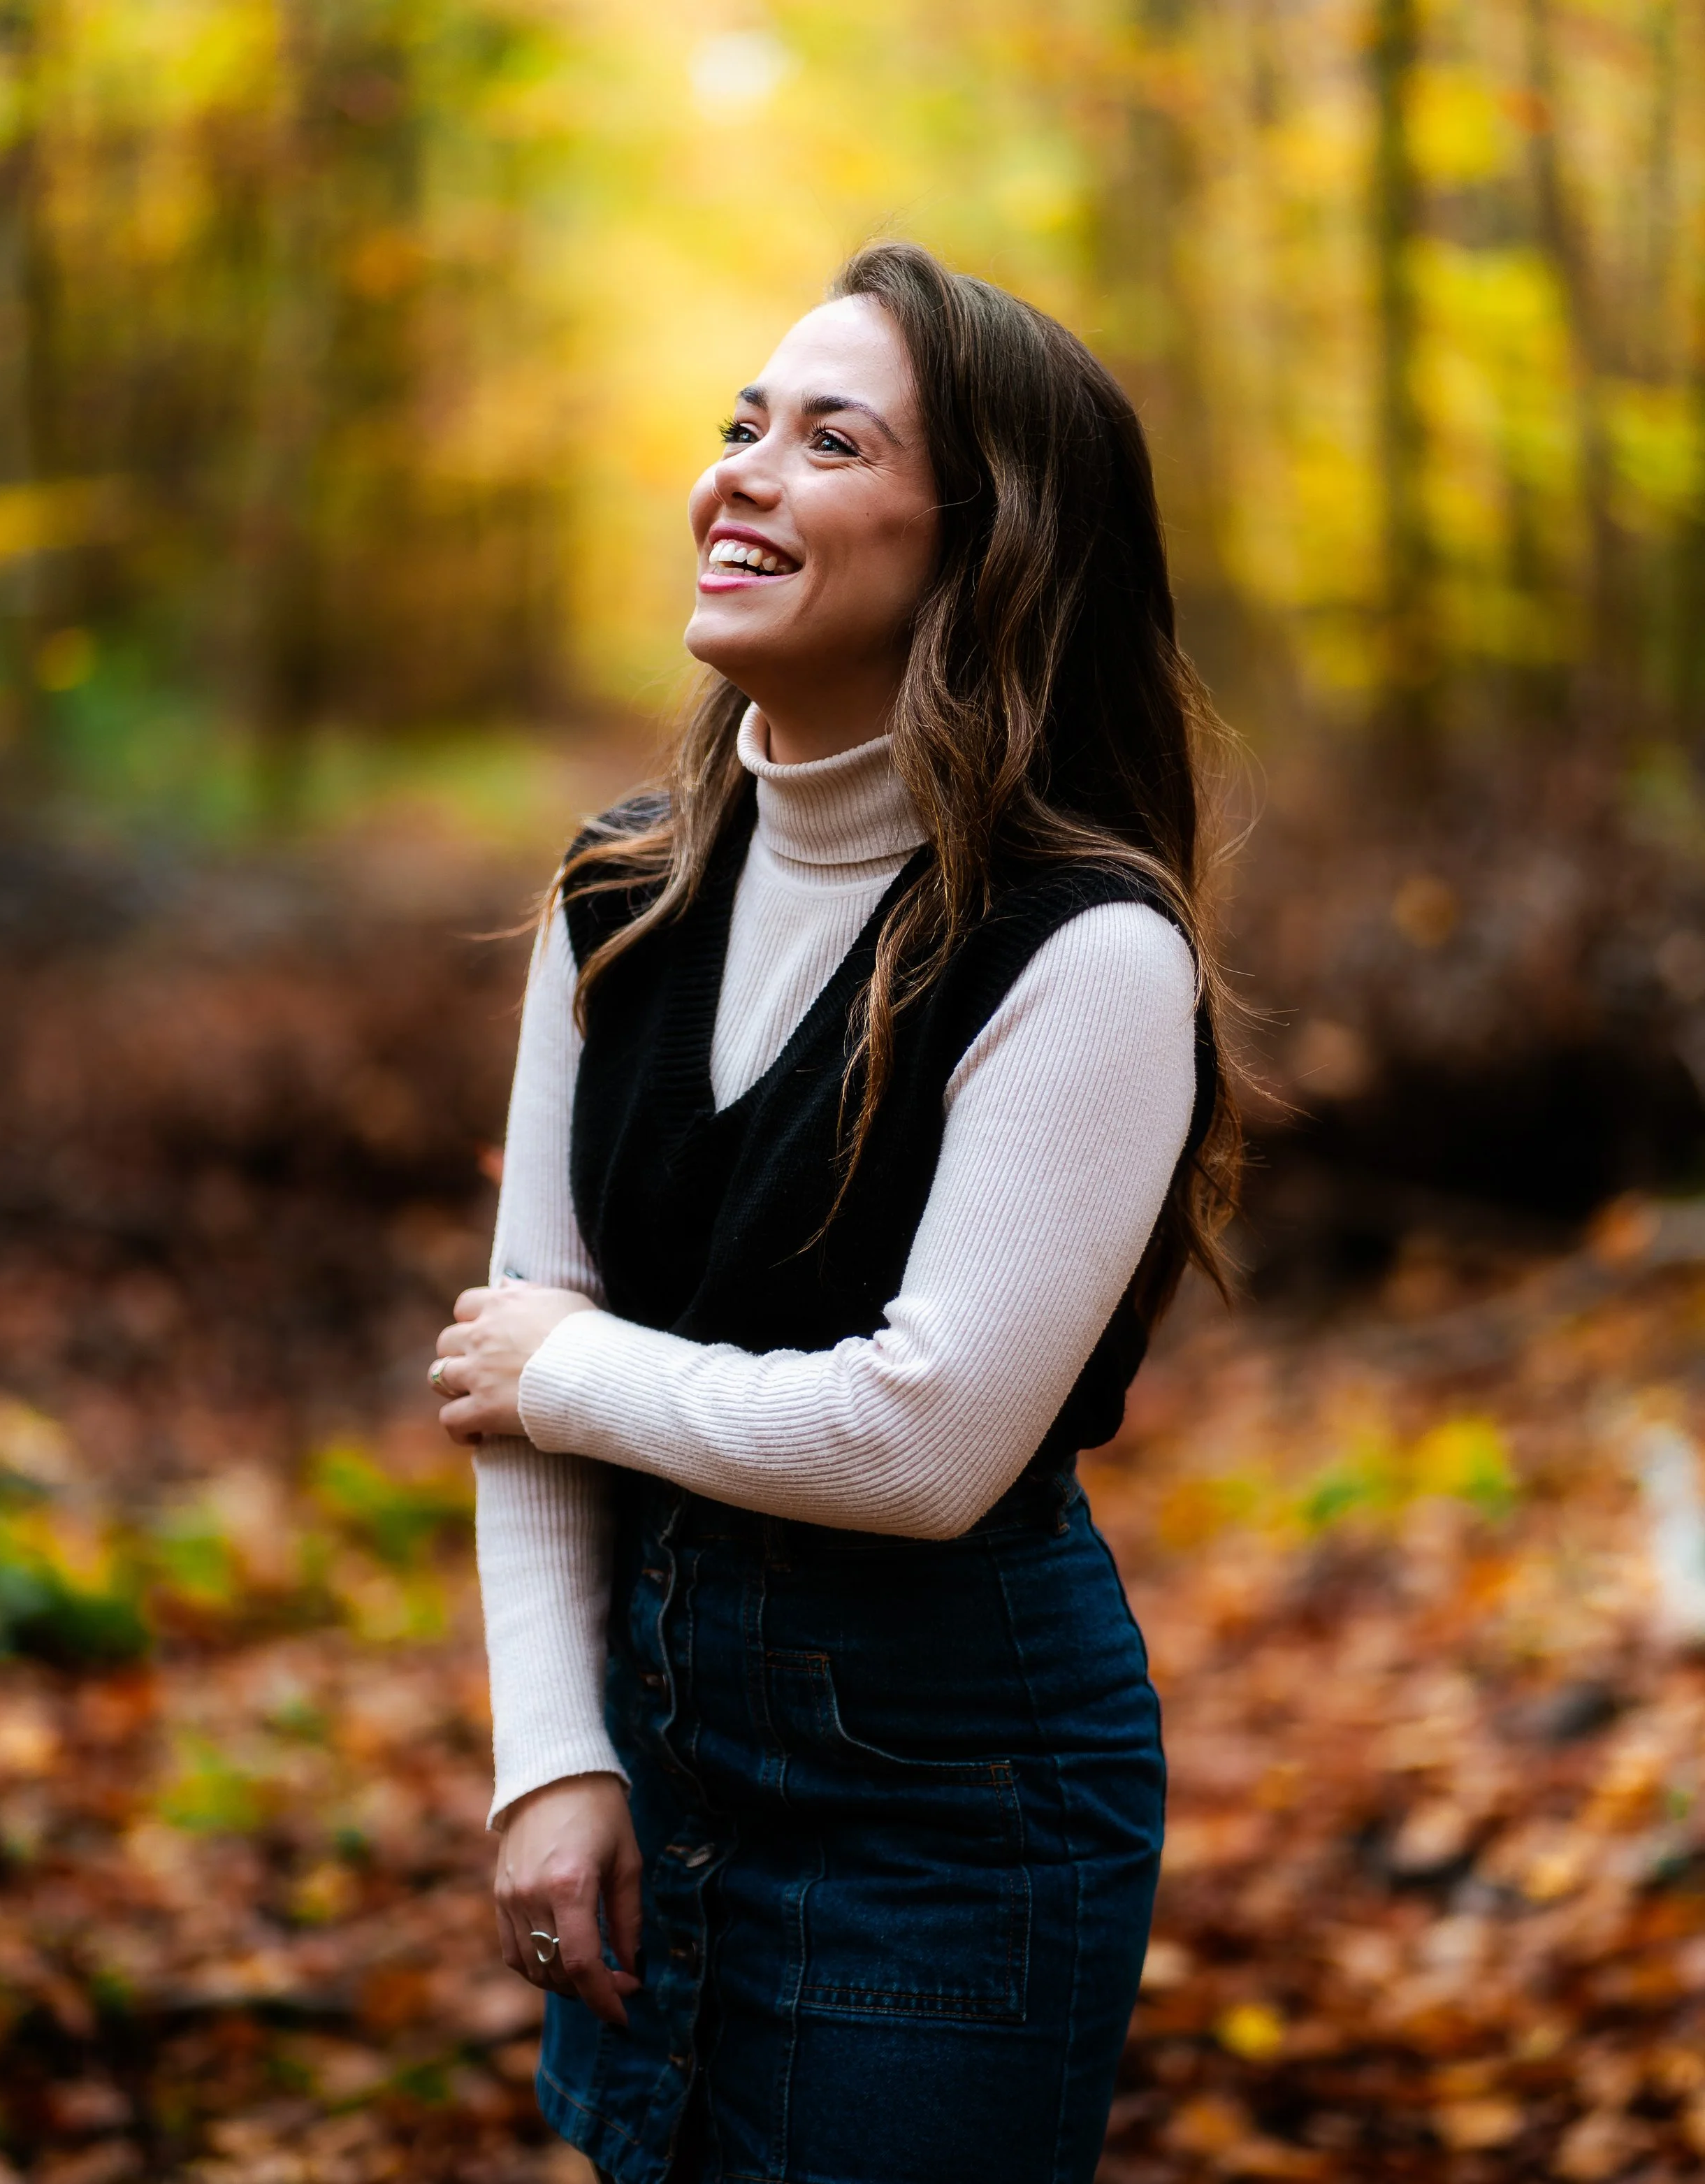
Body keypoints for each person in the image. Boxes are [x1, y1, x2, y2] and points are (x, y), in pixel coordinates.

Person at [428, 238, 1239, 2184]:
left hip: (950, 1812)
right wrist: (551, 1755)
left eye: (829, 439)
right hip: (663, 1755)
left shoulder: (1087, 950)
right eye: (741, 424)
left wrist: (573, 1370)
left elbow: (925, 1441)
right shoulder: (617, 895)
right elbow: (519, 1359)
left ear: (989, 546)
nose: (741, 472)